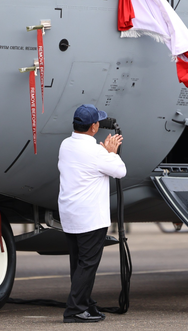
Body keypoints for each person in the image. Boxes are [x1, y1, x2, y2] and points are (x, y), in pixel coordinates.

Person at [58, 104, 126, 323]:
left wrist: (104, 152)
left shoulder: (66, 145)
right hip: (90, 218)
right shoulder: (96, 152)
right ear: (94, 126)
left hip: (70, 215)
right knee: (87, 265)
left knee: (78, 263)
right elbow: (120, 171)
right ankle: (75, 309)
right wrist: (111, 152)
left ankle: (85, 303)